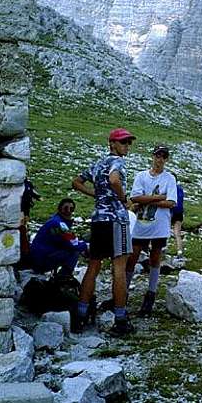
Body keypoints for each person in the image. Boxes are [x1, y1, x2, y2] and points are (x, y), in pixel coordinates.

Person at [72, 128, 135, 335]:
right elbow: (115, 180)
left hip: (99, 219)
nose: (126, 146)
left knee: (93, 266)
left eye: (128, 142)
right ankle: (120, 318)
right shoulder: (117, 162)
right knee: (119, 267)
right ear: (112, 144)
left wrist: (97, 196)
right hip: (116, 219)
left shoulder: (98, 164)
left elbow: (76, 182)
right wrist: (123, 199)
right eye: (123, 142)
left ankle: (80, 315)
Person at [125, 144, 177, 317]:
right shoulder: (141, 176)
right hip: (140, 226)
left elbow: (171, 202)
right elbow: (134, 198)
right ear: (153, 157)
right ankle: (122, 292)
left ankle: (151, 295)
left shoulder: (170, 178)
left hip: (160, 226)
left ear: (166, 159)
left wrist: (145, 200)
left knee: (156, 258)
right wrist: (159, 197)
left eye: (163, 156)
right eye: (157, 156)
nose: (159, 159)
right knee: (132, 257)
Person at [29, 198, 87, 276]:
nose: (68, 211)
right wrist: (86, 246)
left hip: (39, 258)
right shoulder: (58, 224)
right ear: (59, 209)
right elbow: (74, 244)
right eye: (66, 208)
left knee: (68, 248)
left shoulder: (55, 221)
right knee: (74, 252)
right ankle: (63, 278)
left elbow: (66, 240)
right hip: (40, 261)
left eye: (71, 209)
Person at [171, 174, 185, 257]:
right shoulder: (180, 189)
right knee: (177, 233)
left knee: (163, 231)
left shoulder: (170, 188)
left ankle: (159, 249)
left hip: (170, 211)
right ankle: (179, 251)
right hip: (179, 213)